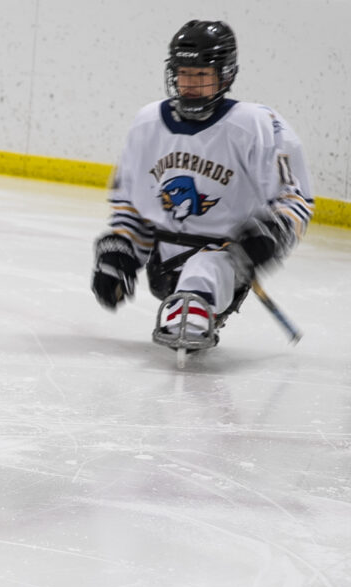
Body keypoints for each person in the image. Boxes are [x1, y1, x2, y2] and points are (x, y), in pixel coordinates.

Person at [90, 20, 313, 357]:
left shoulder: (254, 124)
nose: (190, 84)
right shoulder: (147, 123)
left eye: (201, 75)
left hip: (226, 255)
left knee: (206, 268)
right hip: (162, 259)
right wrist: (120, 252)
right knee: (127, 257)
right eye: (183, 73)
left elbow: (294, 196)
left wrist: (274, 233)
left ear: (224, 75)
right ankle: (185, 301)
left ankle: (196, 306)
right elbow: (132, 207)